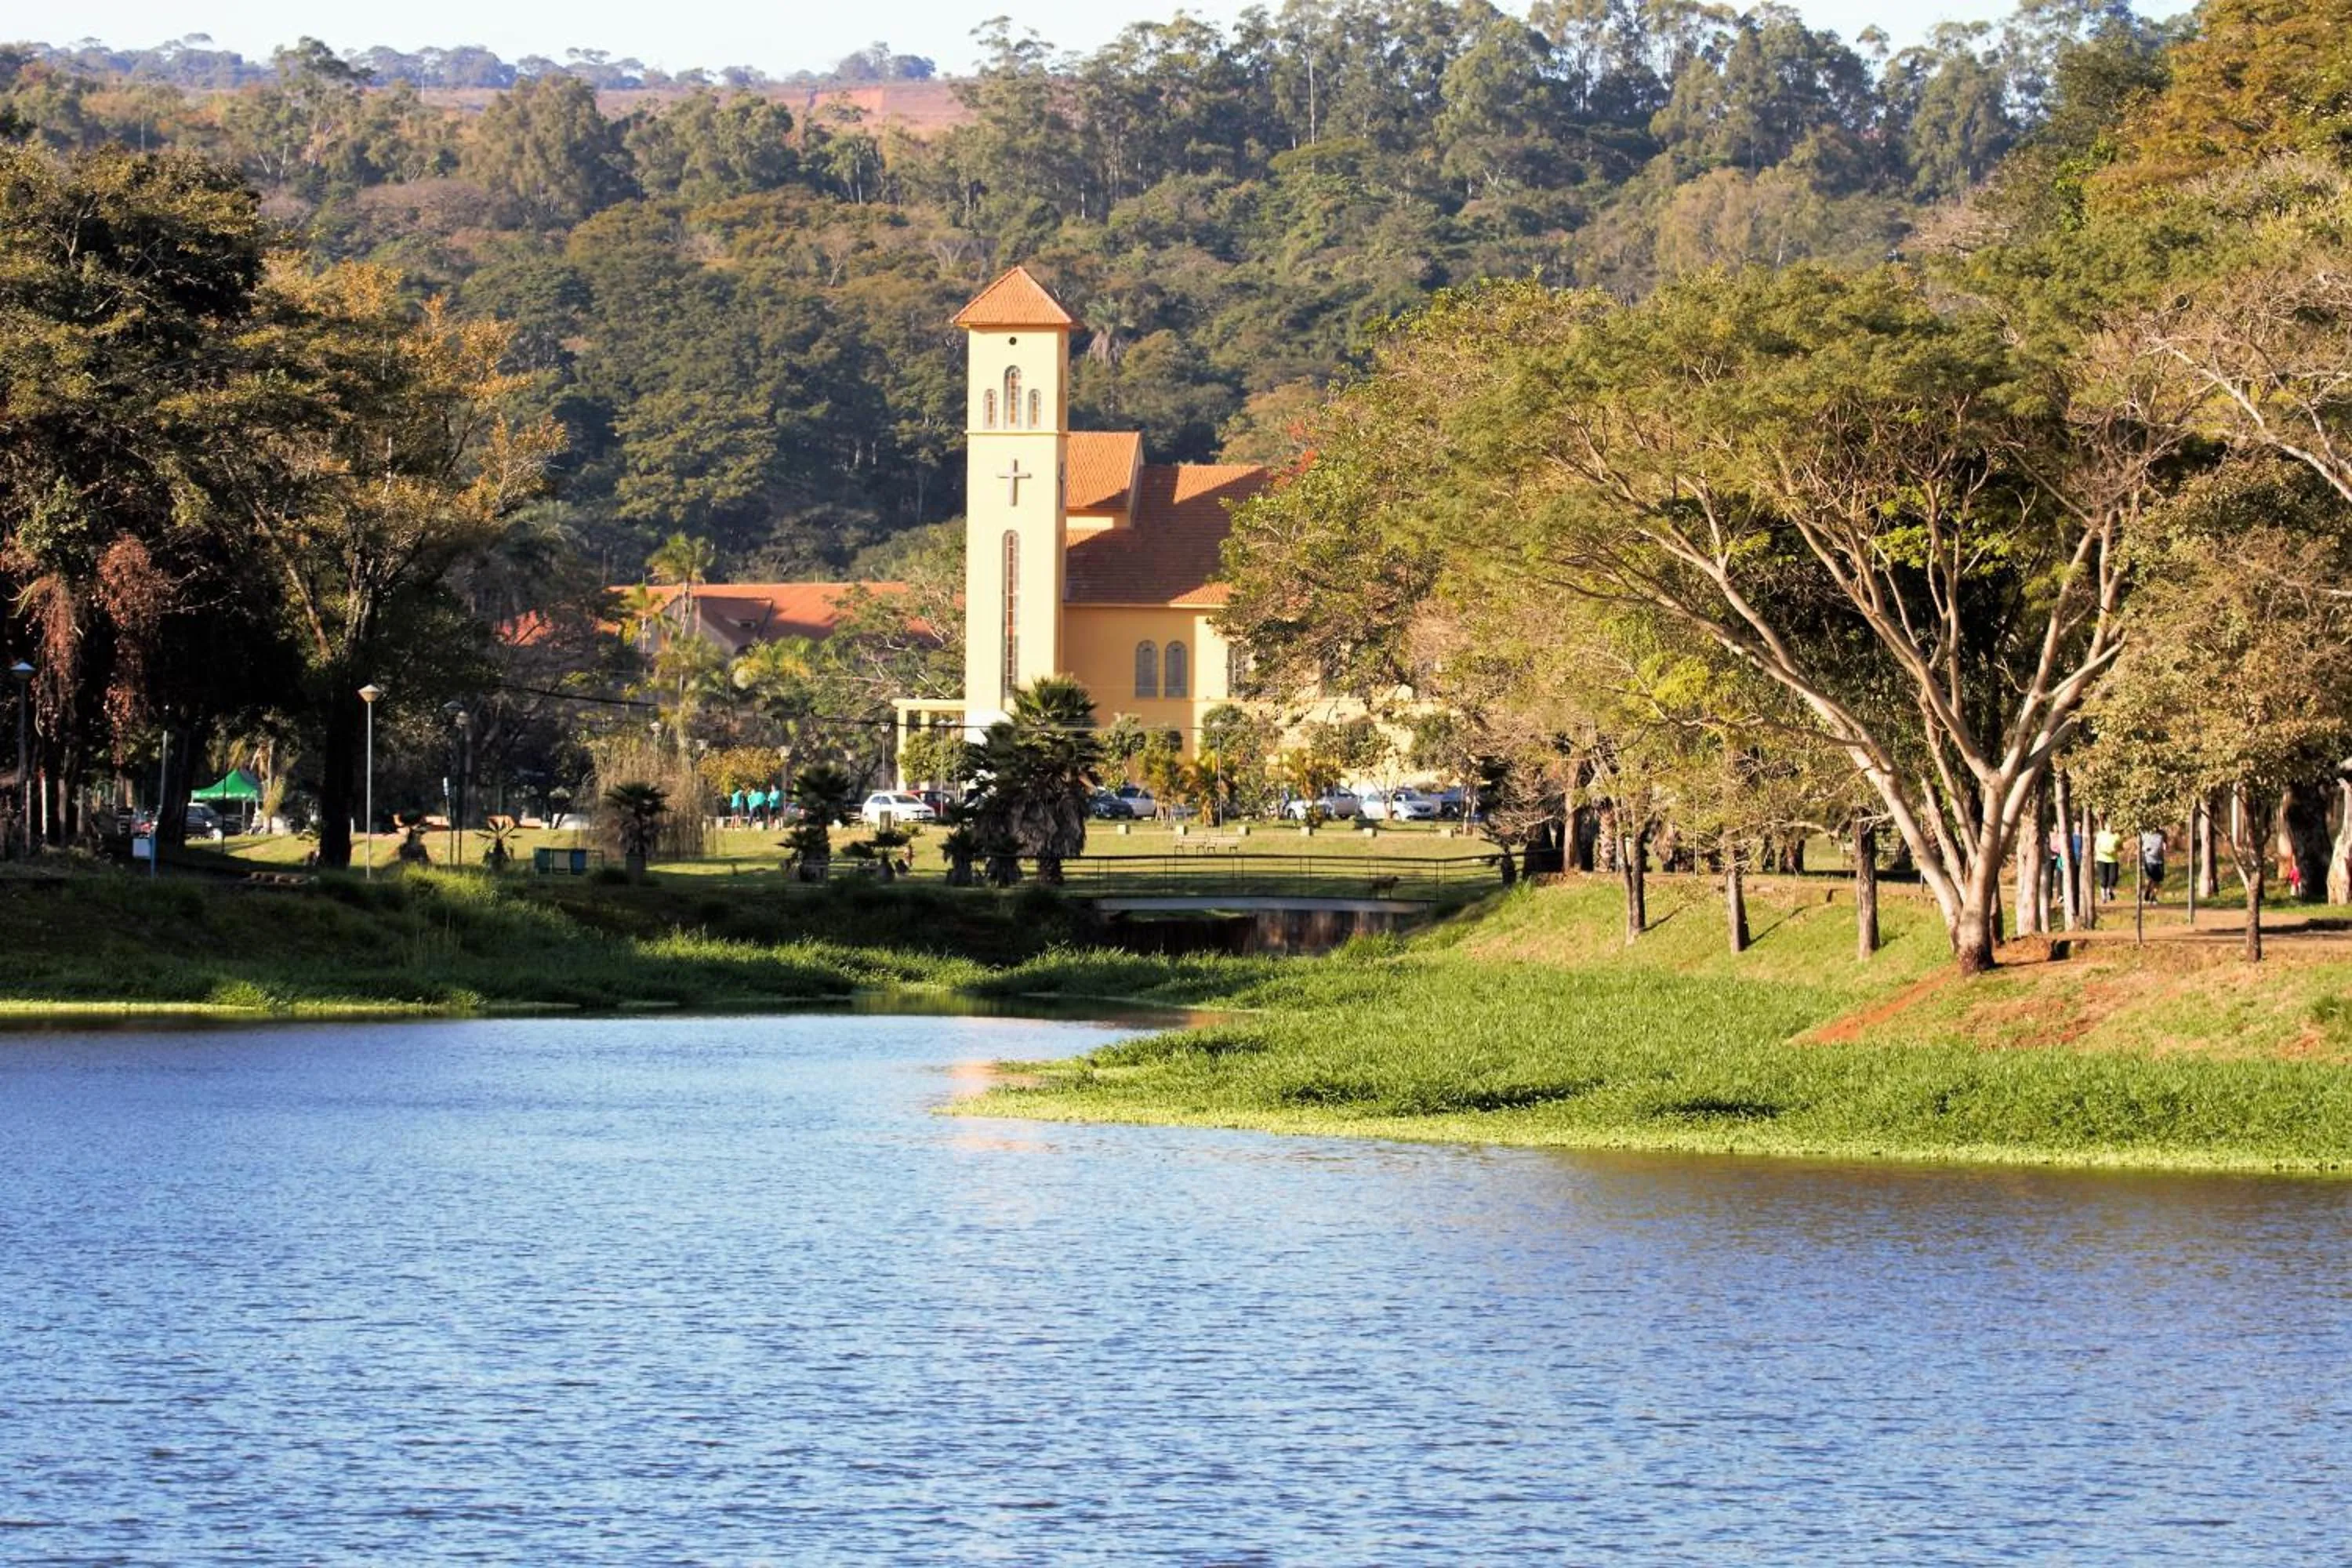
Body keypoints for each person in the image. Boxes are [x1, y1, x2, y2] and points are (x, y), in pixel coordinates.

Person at [2093, 824, 2121, 902]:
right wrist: (2098, 853)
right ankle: (2103, 897)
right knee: (2103, 879)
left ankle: (2109, 891)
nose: (2110, 827)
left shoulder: (2117, 836)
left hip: (2113, 859)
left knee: (2113, 878)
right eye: (2108, 826)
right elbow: (2096, 846)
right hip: (2102, 859)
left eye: (2112, 826)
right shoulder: (2101, 835)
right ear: (2105, 827)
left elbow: (2120, 847)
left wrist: (2116, 850)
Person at [2140, 827, 2166, 892]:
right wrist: (2144, 849)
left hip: (2159, 861)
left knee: (2157, 881)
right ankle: (2148, 889)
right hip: (2149, 860)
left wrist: (2164, 847)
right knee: (2150, 878)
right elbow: (2139, 844)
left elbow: (2165, 844)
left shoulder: (2161, 834)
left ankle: (2153, 897)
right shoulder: (2144, 833)